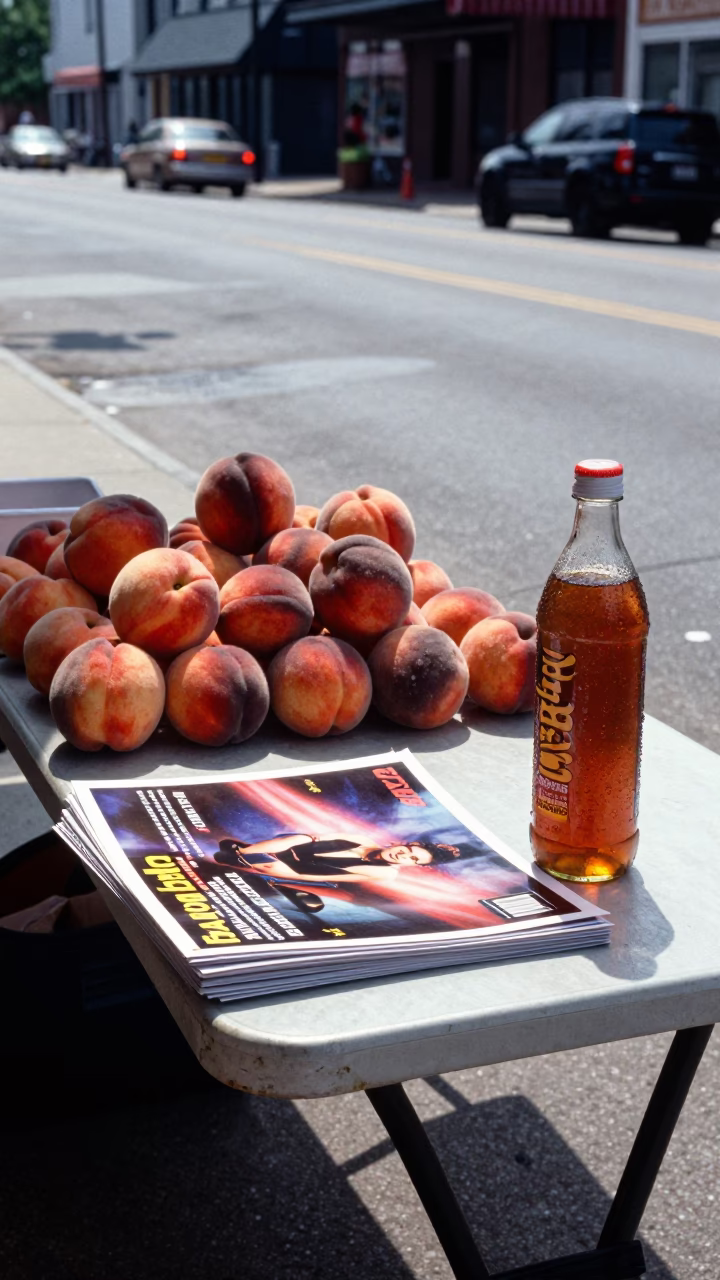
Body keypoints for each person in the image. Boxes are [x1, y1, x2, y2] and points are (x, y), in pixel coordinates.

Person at [213, 832, 461, 889]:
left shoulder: (386, 873)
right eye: (408, 850)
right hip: (285, 847)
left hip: (294, 867)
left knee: (279, 865)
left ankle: (243, 856)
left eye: (413, 860)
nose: (403, 856)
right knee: (300, 836)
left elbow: (321, 876)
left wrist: (278, 872)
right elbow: (302, 838)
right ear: (404, 844)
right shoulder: (359, 838)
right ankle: (243, 854)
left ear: (414, 866)